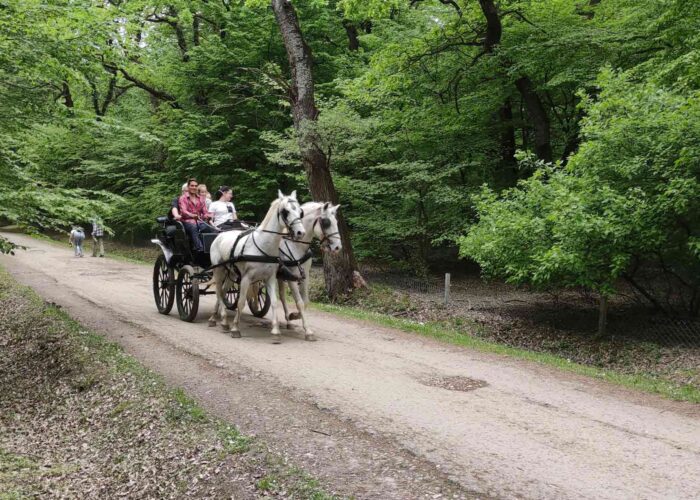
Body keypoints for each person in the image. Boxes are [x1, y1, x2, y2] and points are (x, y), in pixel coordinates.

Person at [178, 178, 211, 253]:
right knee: (193, 226)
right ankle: (199, 249)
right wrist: (192, 215)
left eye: (195, 186)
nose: (194, 187)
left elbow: (205, 212)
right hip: (186, 221)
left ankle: (210, 248)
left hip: (199, 221)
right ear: (188, 187)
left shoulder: (201, 199)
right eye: (192, 185)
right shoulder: (183, 198)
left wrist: (208, 216)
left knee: (209, 228)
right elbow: (183, 211)